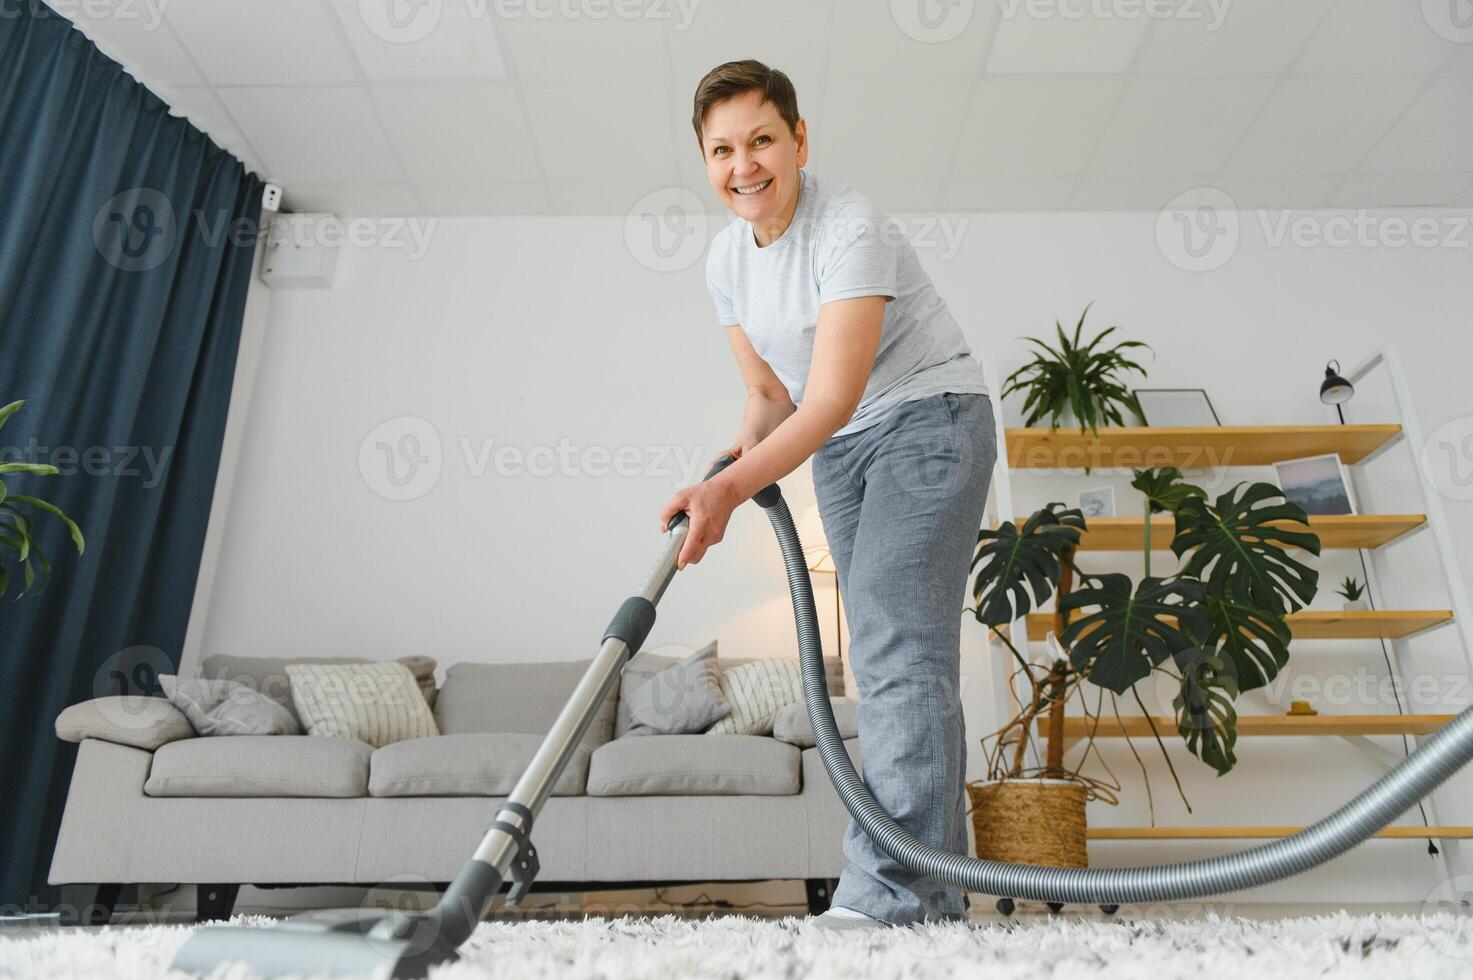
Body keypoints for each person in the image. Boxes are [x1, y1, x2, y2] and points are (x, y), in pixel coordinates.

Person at [656, 59, 998, 929]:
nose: (745, 166)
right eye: (722, 149)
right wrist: (722, 472)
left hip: (929, 422)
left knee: (895, 650)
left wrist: (732, 491)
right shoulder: (726, 259)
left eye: (761, 139)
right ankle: (933, 898)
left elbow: (832, 394)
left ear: (798, 139)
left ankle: (889, 897)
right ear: (705, 161)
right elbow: (771, 395)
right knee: (893, 655)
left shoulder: (851, 228)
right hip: (840, 452)